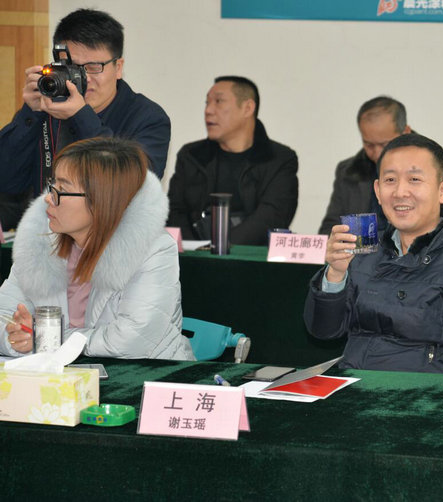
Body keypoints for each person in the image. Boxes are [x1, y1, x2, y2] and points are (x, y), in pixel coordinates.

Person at [305, 133, 443, 375]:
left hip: (418, 393)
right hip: (351, 383)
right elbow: (323, 331)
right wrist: (335, 274)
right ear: (378, 191)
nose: (400, 192)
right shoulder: (364, 248)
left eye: (414, 179)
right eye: (390, 180)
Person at [0, 137, 194, 360]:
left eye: (62, 189)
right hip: (61, 375)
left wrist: (47, 338)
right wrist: (17, 339)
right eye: (53, 185)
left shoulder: (152, 248)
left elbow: (131, 340)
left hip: (143, 376)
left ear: (101, 201)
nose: (49, 198)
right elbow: (4, 315)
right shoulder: (40, 242)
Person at [0, 8, 170, 230]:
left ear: (118, 67)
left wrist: (81, 117)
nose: (83, 78)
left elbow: (135, 188)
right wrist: (29, 114)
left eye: (93, 67)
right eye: (72, 68)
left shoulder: (148, 117)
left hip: (111, 241)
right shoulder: (46, 109)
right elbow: (7, 182)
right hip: (46, 239)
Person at [167, 76, 298, 245]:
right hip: (194, 255)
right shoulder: (192, 156)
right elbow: (175, 212)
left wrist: (220, 248)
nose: (208, 110)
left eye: (219, 101)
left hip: (251, 258)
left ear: (247, 108)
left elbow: (272, 217)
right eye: (207, 103)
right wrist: (196, 250)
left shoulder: (279, 159)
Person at [318, 96, 443, 235]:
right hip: (365, 252)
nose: (377, 154)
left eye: (384, 144)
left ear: (405, 132)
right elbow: (330, 227)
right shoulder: (348, 171)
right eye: (369, 145)